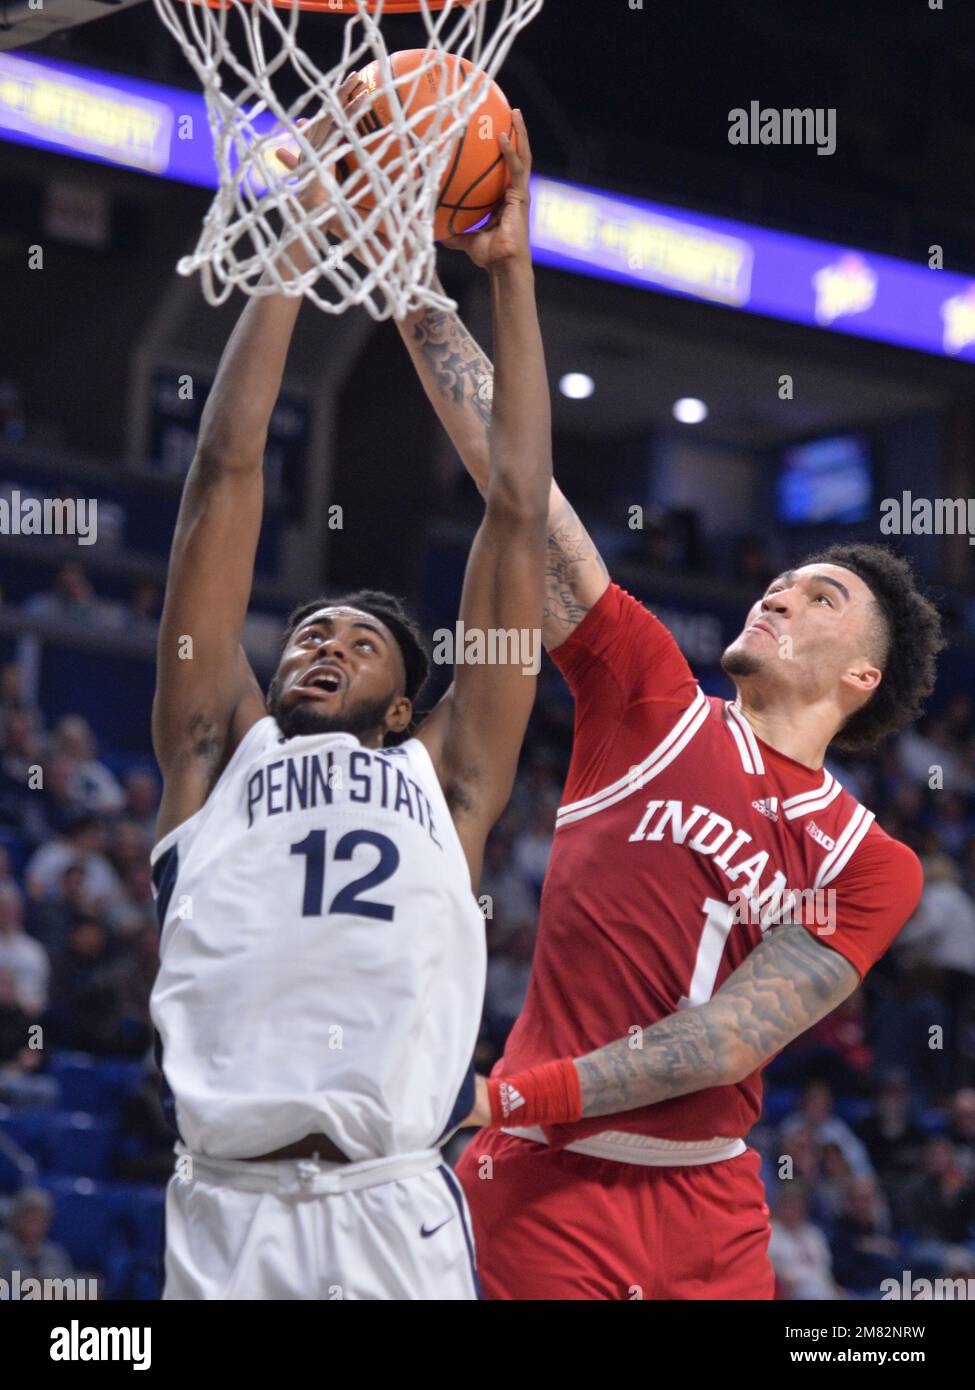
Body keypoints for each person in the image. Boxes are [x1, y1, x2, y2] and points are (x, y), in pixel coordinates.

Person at [396, 276, 945, 1298]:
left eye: (822, 596)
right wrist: (414, 297)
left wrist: (511, 1093)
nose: (780, 589)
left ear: (862, 677)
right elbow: (520, 491)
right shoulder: (649, 694)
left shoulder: (872, 862)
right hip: (540, 1185)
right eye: (781, 578)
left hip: (708, 1213)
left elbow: (728, 1036)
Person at [149, 97, 550, 1300]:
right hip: (222, 1210)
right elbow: (225, 471)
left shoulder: (449, 776)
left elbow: (519, 513)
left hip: (390, 1207)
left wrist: (512, 277)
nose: (321, 642)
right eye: (310, 630)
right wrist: (297, 241)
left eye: (360, 642)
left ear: (399, 706)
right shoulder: (214, 753)